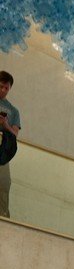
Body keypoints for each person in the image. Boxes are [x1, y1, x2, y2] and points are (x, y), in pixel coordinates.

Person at [0, 70, 21, 218]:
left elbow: (15, 134)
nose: (3, 90)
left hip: (2, 151)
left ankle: (3, 215)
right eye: (1, 86)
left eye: (6, 88)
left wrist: (5, 124)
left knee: (4, 184)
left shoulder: (13, 110)